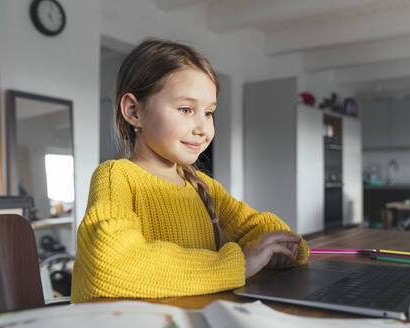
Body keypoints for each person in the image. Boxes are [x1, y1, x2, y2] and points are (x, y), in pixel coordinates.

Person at [71, 38, 309, 303]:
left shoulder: (203, 186)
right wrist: (236, 265)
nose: (203, 128)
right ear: (134, 111)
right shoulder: (116, 177)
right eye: (186, 109)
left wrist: (283, 247)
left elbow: (254, 227)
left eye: (209, 113)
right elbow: (109, 263)